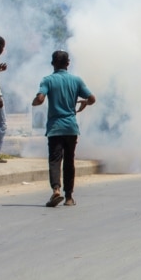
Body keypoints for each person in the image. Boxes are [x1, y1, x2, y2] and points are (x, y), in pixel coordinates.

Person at [31, 51, 96, 208]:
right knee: (69, 161)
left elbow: (40, 99)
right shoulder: (76, 80)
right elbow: (92, 98)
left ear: (52, 63)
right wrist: (84, 102)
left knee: (55, 160)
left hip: (55, 128)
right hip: (71, 127)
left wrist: (35, 101)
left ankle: (56, 189)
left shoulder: (48, 80)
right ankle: (69, 197)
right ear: (68, 64)